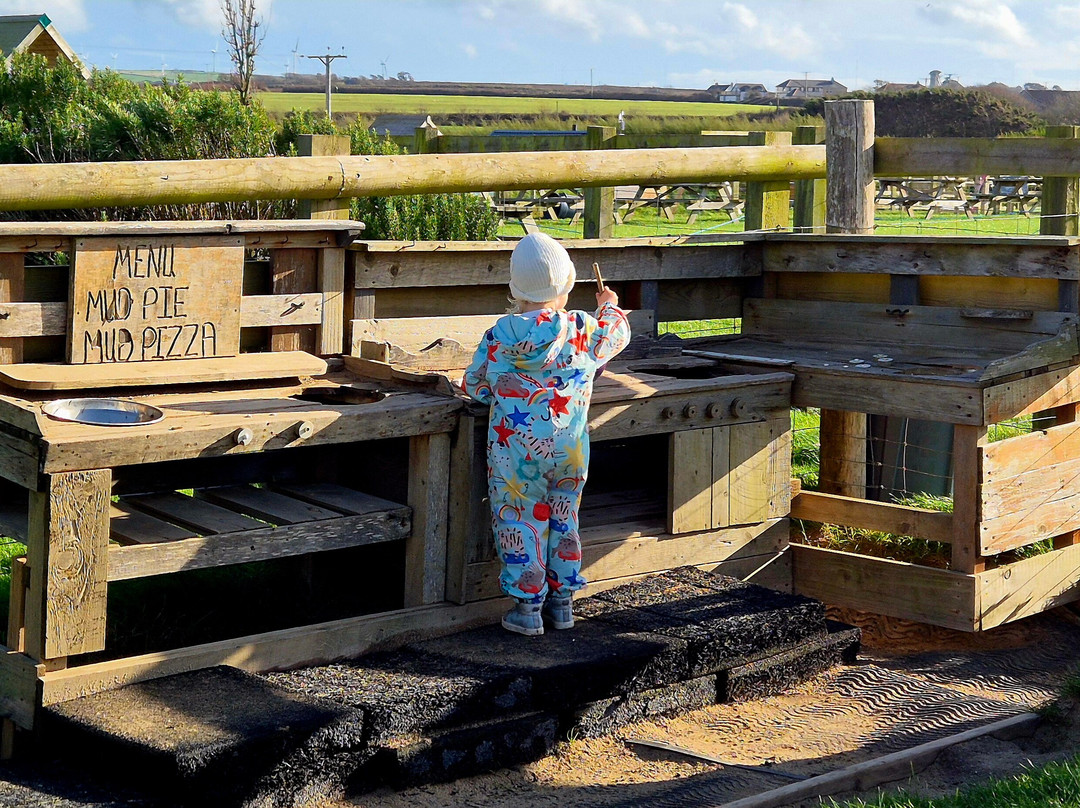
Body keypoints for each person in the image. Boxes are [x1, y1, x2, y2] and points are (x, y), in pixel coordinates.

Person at [460, 232, 631, 636]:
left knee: (519, 521)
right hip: (570, 448)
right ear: (569, 285)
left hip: (515, 455)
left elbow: (475, 384)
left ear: (514, 288)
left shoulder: (501, 334)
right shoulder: (585, 329)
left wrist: (502, 394)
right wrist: (610, 307)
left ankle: (527, 609)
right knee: (564, 518)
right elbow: (618, 336)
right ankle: (563, 604)